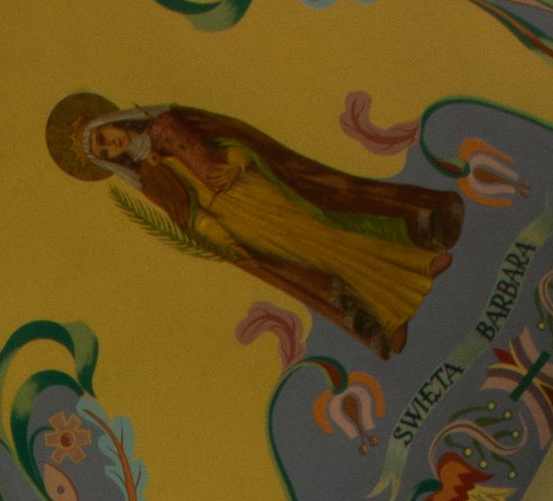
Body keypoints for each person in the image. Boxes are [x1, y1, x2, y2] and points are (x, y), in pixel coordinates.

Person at [47, 92, 464, 356]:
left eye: (104, 135)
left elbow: (232, 139)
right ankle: (392, 310)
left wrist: (237, 161)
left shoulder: (167, 123)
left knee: (328, 231)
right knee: (318, 261)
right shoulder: (147, 179)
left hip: (253, 190)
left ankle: (418, 263)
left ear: (111, 121)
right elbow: (188, 215)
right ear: (110, 160)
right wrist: (219, 237)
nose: (111, 143)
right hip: (240, 224)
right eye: (104, 150)